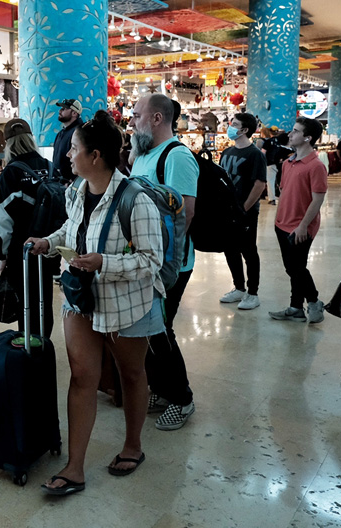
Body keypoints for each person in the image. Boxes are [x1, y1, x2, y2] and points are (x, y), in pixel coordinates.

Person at [27, 110, 164, 496]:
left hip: (127, 304)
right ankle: (74, 468)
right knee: (82, 377)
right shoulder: (76, 190)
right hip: (81, 298)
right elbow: (70, 230)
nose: (68, 155)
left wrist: (105, 262)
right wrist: (48, 243)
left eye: (74, 149)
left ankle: (133, 446)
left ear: (96, 155)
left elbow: (151, 261)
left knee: (131, 374)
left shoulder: (135, 200)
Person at [128, 93, 198, 431]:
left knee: (160, 329)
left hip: (171, 265)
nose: (131, 121)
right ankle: (162, 389)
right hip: (146, 261)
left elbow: (186, 212)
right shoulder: (143, 156)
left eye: (136, 115)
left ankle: (182, 398)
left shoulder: (177, 156)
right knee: (148, 329)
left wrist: (161, 257)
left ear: (157, 118)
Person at [0, 118, 61, 337]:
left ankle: (30, 348)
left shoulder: (11, 173)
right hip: (49, 246)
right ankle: (44, 344)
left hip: (23, 250)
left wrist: (0, 255)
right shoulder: (50, 167)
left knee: (26, 304)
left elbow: (3, 221)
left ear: (8, 144)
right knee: (44, 301)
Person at [269, 117, 328, 324]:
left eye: (295, 131)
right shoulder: (287, 163)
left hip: (301, 226)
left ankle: (314, 301)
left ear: (308, 138)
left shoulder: (316, 165)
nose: (290, 134)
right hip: (282, 223)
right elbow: (285, 191)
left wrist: (303, 226)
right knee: (292, 268)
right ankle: (295, 307)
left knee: (296, 268)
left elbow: (317, 199)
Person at [218, 113, 268, 310]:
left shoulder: (255, 154)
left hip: (246, 212)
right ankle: (239, 287)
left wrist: (244, 209)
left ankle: (253, 293)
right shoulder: (227, 152)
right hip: (226, 211)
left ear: (244, 130)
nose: (230, 127)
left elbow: (259, 184)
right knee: (230, 249)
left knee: (248, 251)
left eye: (235, 124)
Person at [52, 99, 82, 183]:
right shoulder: (61, 133)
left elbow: (82, 159)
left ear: (74, 113)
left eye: (64, 109)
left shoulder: (80, 132)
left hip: (72, 183)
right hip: (60, 182)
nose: (60, 111)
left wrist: (74, 180)